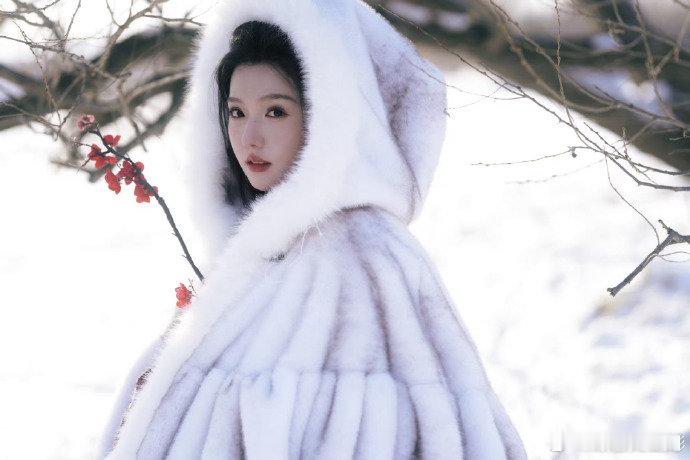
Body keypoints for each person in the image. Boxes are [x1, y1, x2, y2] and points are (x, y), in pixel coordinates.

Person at [99, 0, 528, 459]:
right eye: (237, 112)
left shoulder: (365, 258)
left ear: (329, 116)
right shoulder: (251, 254)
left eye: (276, 111)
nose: (250, 137)